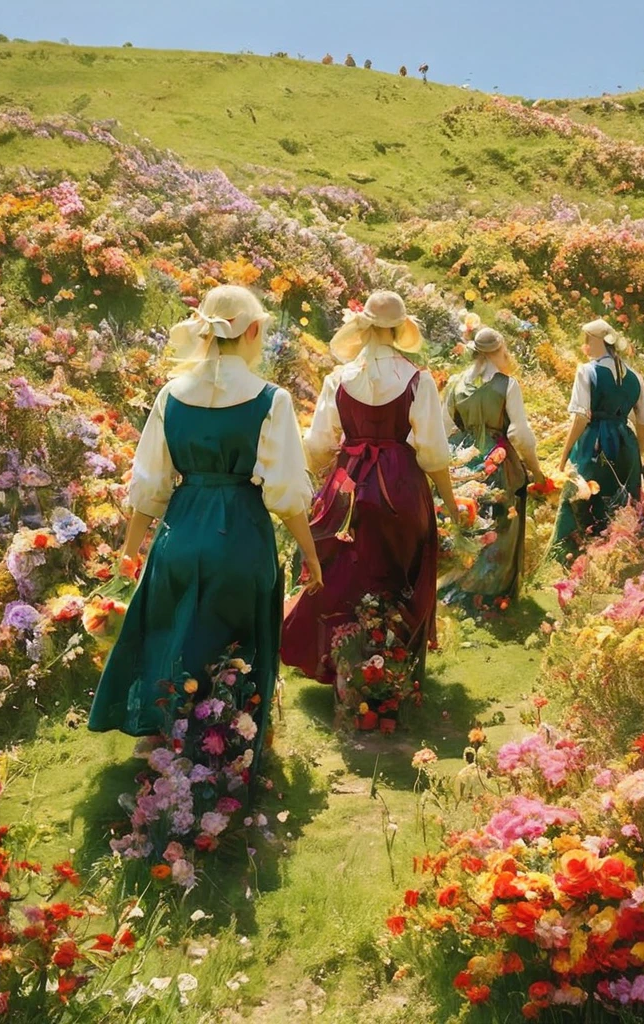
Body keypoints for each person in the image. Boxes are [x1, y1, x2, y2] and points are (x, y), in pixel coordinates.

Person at [88, 285, 321, 776]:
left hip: (182, 527)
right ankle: (228, 743)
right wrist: (310, 552)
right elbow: (283, 491)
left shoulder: (171, 396)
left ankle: (169, 736)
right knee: (235, 642)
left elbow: (149, 483)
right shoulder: (270, 400)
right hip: (240, 533)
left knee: (175, 633)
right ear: (253, 330)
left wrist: (131, 552)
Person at [281, 290, 459, 693]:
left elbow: (318, 444)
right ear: (398, 328)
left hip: (350, 480)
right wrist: (449, 503)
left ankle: (344, 665)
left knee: (345, 570)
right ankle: (390, 669)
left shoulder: (338, 378)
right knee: (399, 575)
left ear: (364, 327)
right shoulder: (417, 380)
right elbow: (432, 452)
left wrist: (330, 478)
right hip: (401, 485)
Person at [440, 327, 545, 611]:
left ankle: (460, 585)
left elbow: (445, 428)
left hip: (462, 459)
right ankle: (491, 592)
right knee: (500, 521)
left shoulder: (455, 384)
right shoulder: (507, 385)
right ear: (498, 351)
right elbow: (519, 434)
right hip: (497, 460)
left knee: (466, 523)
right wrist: (535, 469)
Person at [551, 319, 644, 557]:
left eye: (587, 340)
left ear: (596, 342)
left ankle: (571, 554)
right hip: (624, 442)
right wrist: (637, 455)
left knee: (583, 494)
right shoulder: (635, 376)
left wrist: (563, 458)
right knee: (619, 501)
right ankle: (617, 554)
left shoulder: (587, 371)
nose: (584, 345)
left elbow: (581, 418)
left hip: (593, 441)